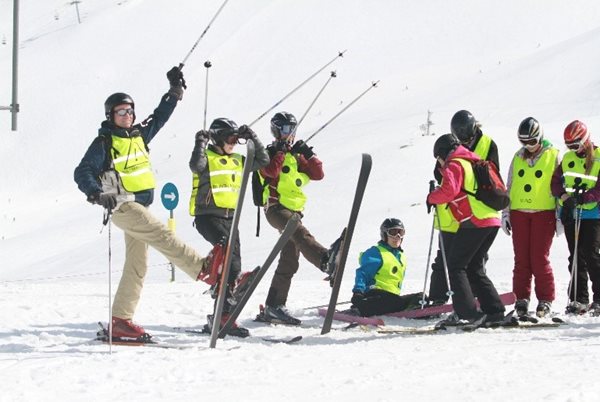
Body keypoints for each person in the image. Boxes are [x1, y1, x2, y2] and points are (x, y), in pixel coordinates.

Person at [74, 67, 211, 339]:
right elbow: (82, 171)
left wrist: (174, 92)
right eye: (121, 112)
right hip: (122, 205)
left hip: (140, 205)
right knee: (161, 234)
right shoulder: (105, 141)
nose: (127, 116)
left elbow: (160, 116)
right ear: (111, 116)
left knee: (138, 264)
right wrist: (96, 193)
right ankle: (205, 271)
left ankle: (121, 320)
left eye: (130, 111)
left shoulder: (139, 135)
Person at [189, 117, 269, 337]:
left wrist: (252, 138)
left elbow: (263, 161)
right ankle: (220, 285)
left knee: (234, 264)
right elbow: (196, 165)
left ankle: (223, 312)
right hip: (207, 216)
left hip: (230, 219)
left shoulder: (238, 160)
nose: (233, 143)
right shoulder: (207, 157)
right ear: (217, 137)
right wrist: (200, 143)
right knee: (226, 253)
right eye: (229, 138)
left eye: (236, 138)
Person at [254, 111, 335, 325]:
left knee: (290, 260)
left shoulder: (295, 156)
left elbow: (318, 174)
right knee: (298, 231)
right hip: (275, 209)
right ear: (277, 130)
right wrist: (280, 152)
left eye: (293, 129)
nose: (290, 134)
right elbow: (269, 172)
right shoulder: (268, 152)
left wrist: (307, 153)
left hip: (294, 212)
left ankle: (274, 306)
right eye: (287, 129)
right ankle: (325, 260)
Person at [426, 134, 505, 324]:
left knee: (456, 266)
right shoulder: (471, 161)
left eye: (438, 158)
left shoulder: (455, 164)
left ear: (444, 153)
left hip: (475, 221)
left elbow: (448, 191)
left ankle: (467, 314)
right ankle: (494, 311)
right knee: (474, 267)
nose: (440, 162)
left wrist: (430, 198)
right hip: (492, 219)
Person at [502, 117, 558, 317]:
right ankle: (521, 299)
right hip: (519, 213)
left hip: (544, 213)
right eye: (524, 142)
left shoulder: (554, 155)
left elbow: (559, 186)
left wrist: (560, 215)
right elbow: (509, 186)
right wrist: (506, 213)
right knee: (521, 259)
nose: (528, 146)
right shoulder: (518, 157)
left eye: (532, 142)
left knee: (539, 258)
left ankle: (545, 299)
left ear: (540, 137)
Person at [551, 120, 600, 316]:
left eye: (576, 145)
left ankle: (599, 299)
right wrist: (564, 198)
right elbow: (555, 183)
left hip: (593, 214)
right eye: (569, 145)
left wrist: (584, 197)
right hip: (572, 213)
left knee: (592, 255)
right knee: (575, 257)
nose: (573, 149)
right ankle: (578, 299)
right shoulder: (568, 159)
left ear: (585, 139)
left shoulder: (597, 157)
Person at [350, 218, 424, 317]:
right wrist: (358, 292)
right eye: (393, 232)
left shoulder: (401, 256)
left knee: (420, 298)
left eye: (400, 232)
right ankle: (362, 307)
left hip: (392, 298)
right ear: (384, 235)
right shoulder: (376, 252)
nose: (397, 236)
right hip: (374, 293)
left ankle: (415, 311)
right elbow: (363, 273)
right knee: (394, 301)